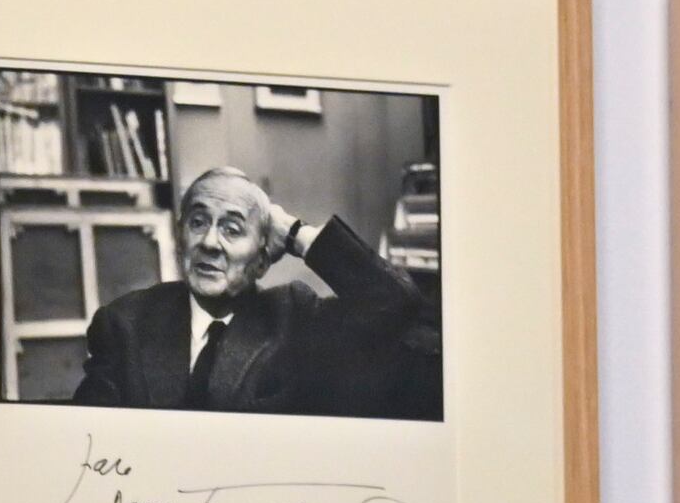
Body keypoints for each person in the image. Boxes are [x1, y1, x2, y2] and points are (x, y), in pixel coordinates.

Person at [67, 165, 441, 418]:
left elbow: (398, 305)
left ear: (263, 260)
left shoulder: (294, 316)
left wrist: (296, 234)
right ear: (180, 241)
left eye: (232, 229)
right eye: (198, 223)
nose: (210, 242)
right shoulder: (125, 324)